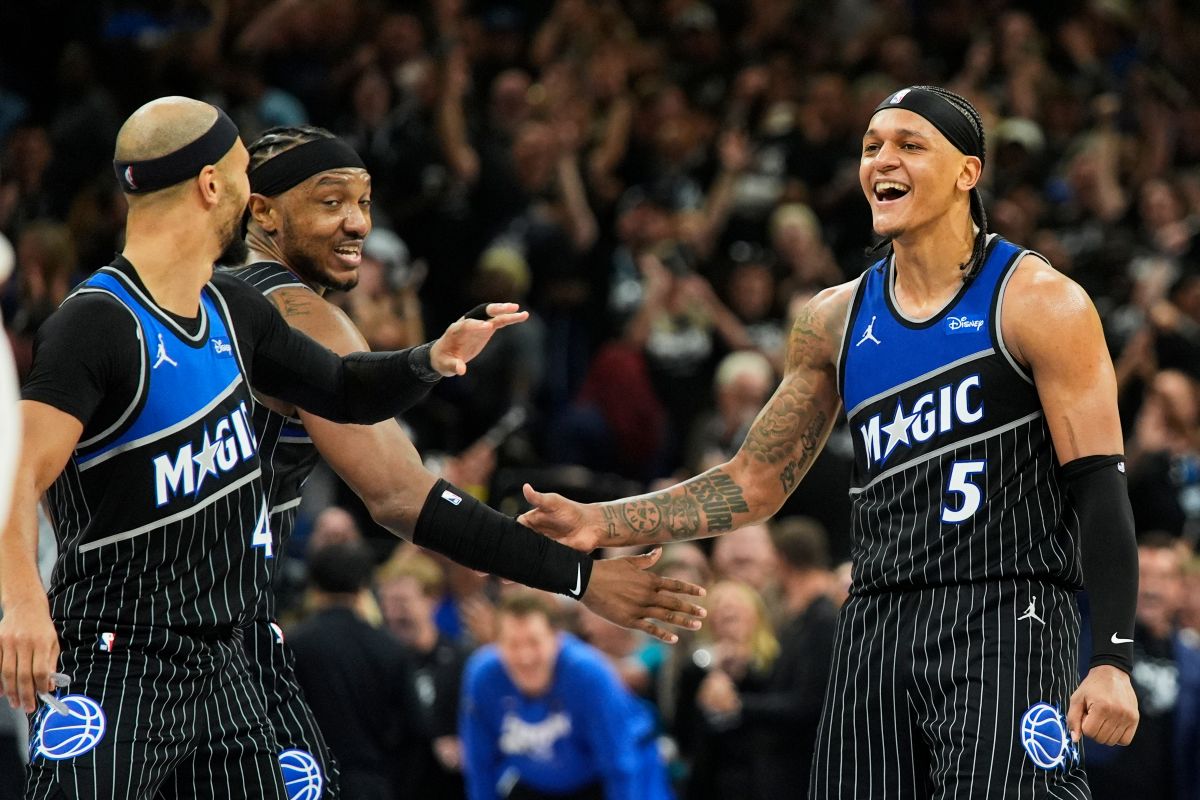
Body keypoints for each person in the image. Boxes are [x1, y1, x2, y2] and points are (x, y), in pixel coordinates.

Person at [521, 85, 1142, 797]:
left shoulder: (1038, 300)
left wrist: (1113, 656)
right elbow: (754, 481)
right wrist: (601, 521)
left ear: (968, 172)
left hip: (1005, 613)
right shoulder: (834, 318)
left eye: (910, 144)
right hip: (876, 617)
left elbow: (1100, 484)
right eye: (872, 145)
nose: (883, 159)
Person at [0, 96, 515, 799]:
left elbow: (343, 387)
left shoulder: (233, 307)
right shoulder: (96, 321)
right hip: (119, 654)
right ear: (212, 184)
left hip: (228, 652)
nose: (249, 191)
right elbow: (15, 474)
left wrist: (431, 358)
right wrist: (25, 605)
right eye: (244, 171)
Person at [219, 125, 706, 794]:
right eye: (330, 202)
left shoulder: (211, 298)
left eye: (364, 202)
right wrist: (581, 578)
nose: (357, 222)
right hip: (210, 636)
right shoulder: (298, 311)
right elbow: (400, 496)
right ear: (262, 211)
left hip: (168, 626)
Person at [460, 592, 674, 800]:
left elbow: (620, 763)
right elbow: (479, 764)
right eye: (513, 644)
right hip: (537, 781)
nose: (525, 657)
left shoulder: (587, 673)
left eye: (534, 642)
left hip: (613, 772)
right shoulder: (483, 677)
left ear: (557, 639)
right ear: (497, 645)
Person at [287, 541, 425, 800]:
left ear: (314, 584)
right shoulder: (390, 648)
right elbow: (414, 731)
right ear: (364, 586)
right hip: (374, 786)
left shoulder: (294, 645)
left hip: (310, 785)